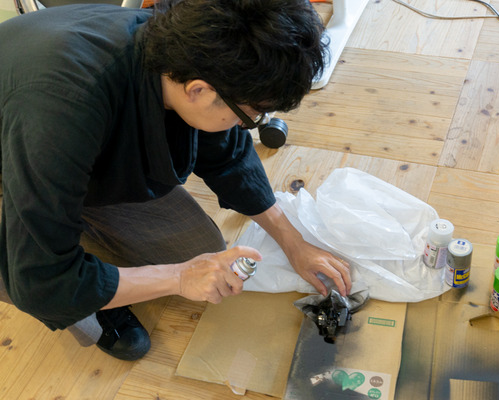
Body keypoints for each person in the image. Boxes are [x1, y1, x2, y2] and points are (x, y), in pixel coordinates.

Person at [0, 0, 352, 361]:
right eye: (249, 116)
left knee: (197, 250)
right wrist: (180, 278)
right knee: (38, 277)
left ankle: (87, 262)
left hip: (63, 150)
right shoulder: (63, 112)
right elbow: (40, 282)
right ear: (198, 91)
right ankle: (90, 292)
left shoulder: (190, 52)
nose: (245, 125)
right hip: (22, 152)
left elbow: (228, 154)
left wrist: (293, 242)